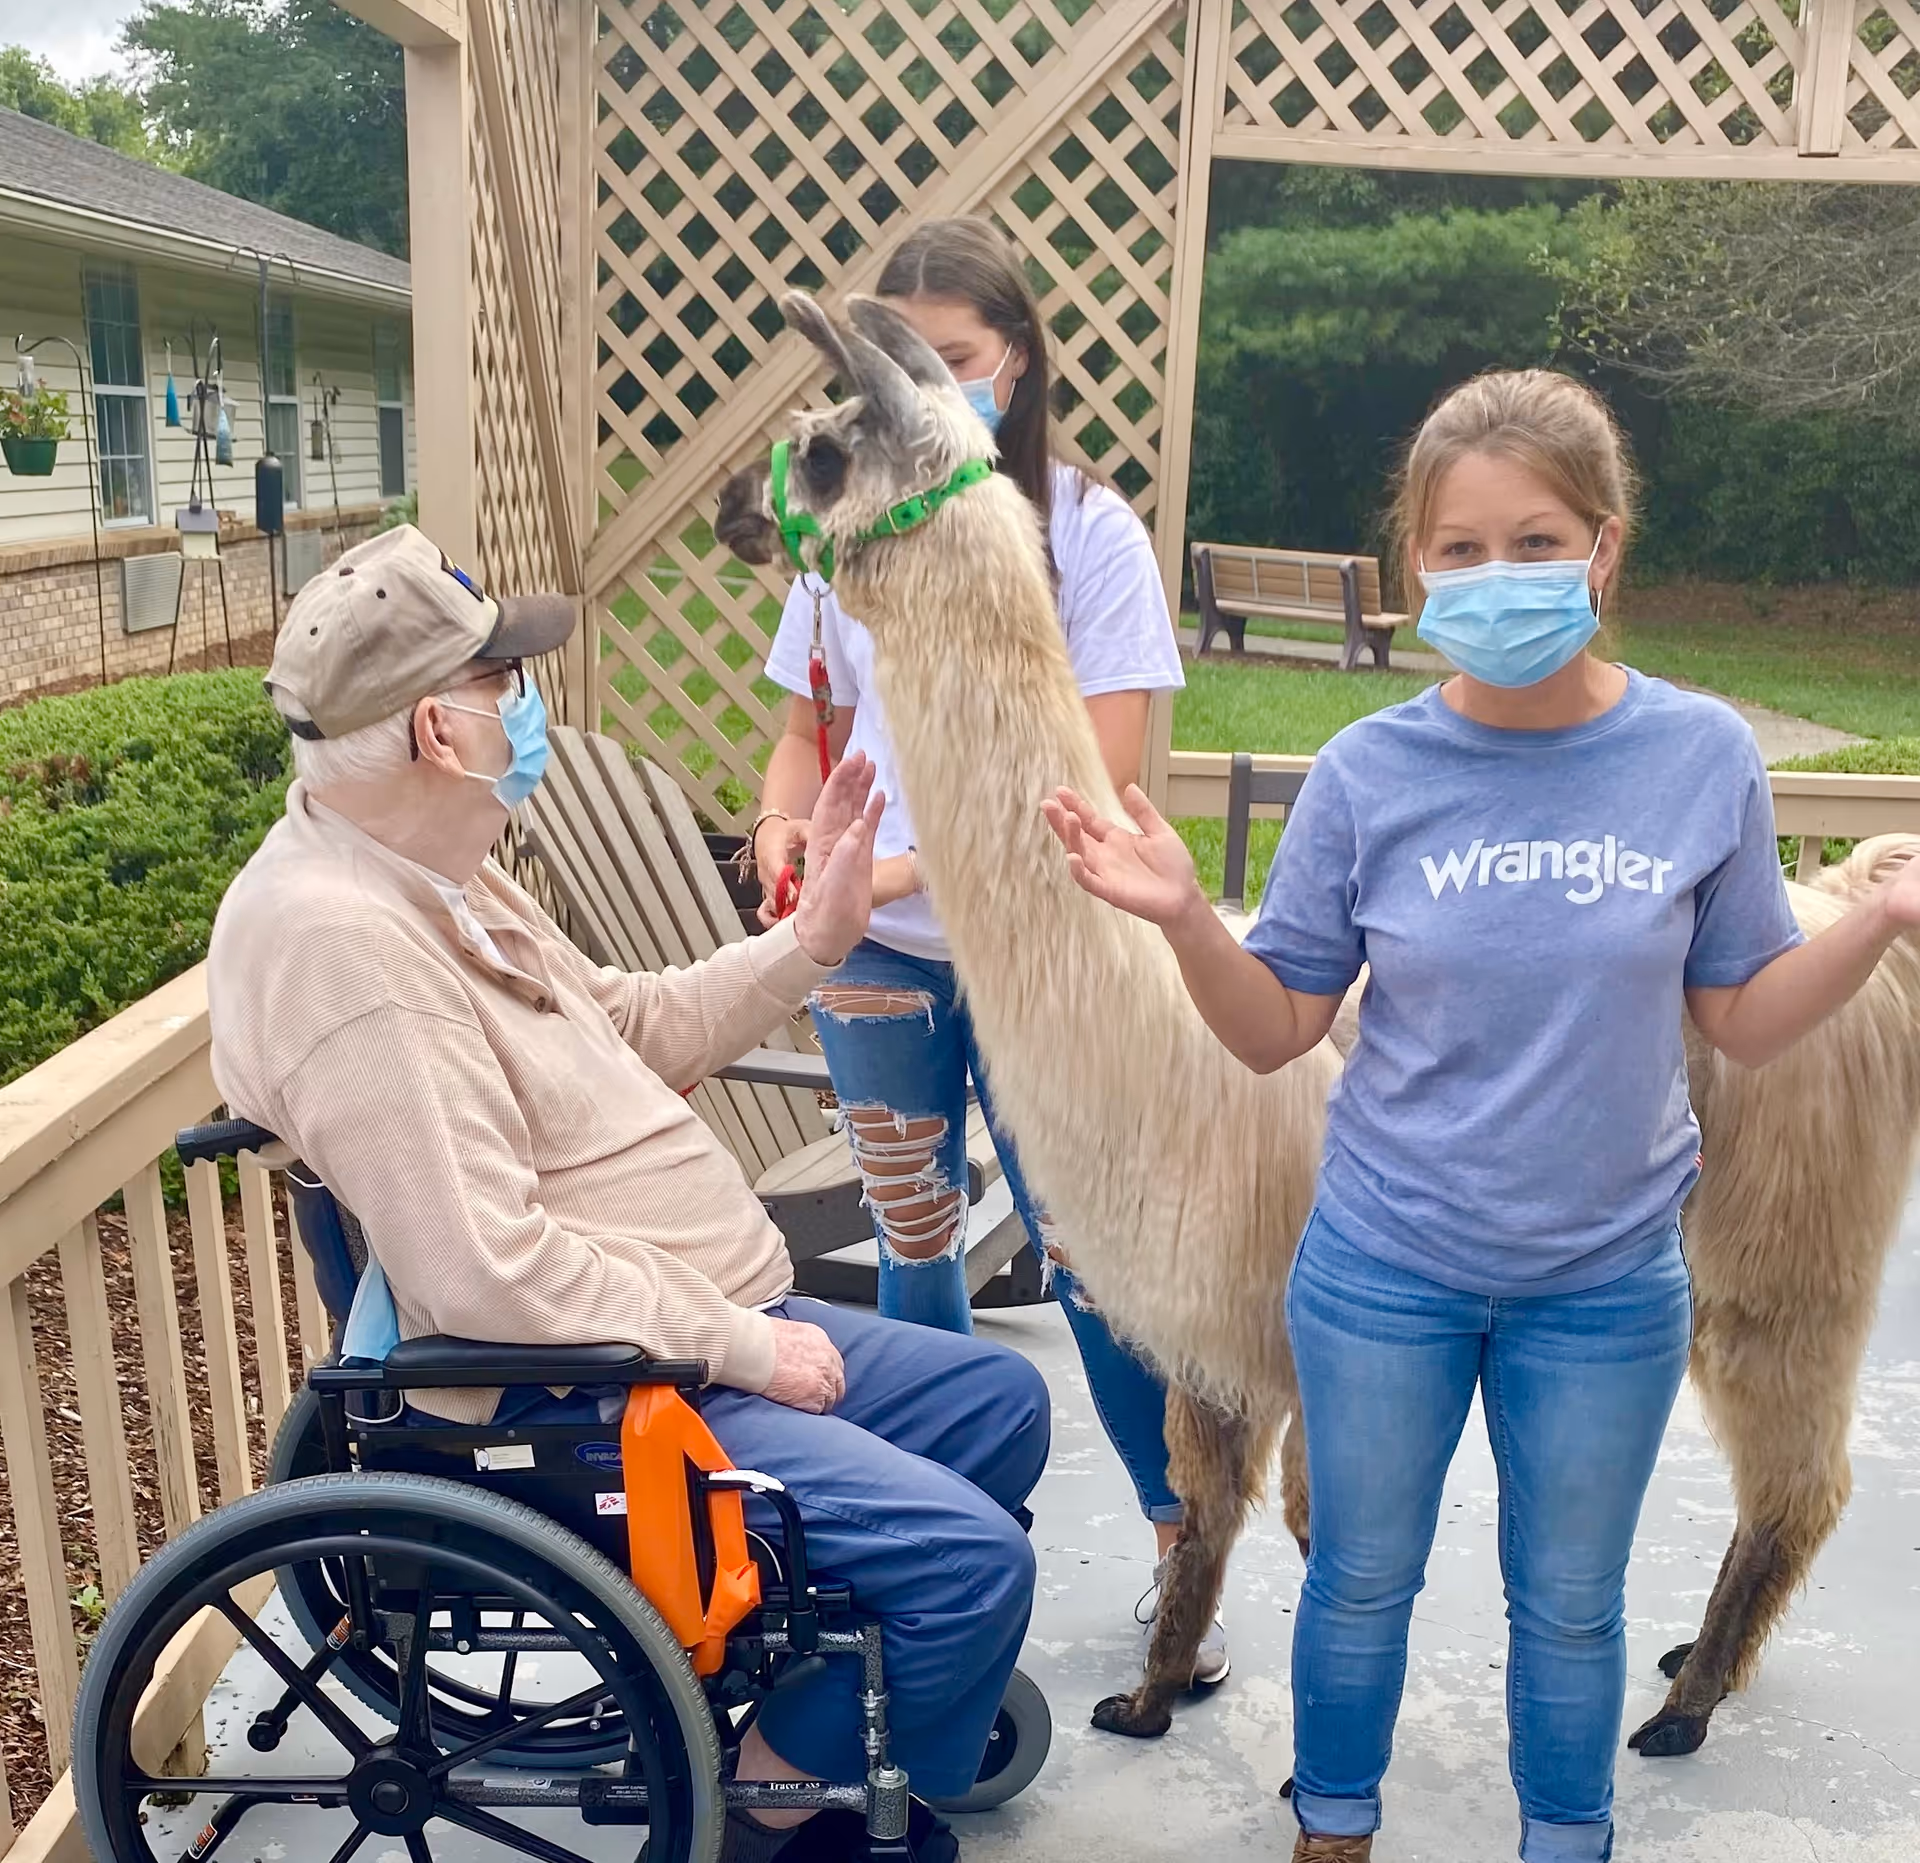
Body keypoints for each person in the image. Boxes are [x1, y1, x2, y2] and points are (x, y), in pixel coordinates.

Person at [1044, 370, 1920, 1863]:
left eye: (1534, 540)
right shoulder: (1371, 774)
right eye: (1458, 547)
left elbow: (1741, 1014)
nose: (1494, 574)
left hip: (1605, 1280)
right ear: (1413, 568)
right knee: (1361, 1581)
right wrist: (1190, 919)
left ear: (1605, 546)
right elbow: (1276, 1031)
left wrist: (1880, 920)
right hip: (1387, 1263)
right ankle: (1336, 1833)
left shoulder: (1700, 760)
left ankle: (1561, 1840)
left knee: (1571, 1603)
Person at [206, 524, 1051, 1863]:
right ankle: (778, 1794)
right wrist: (744, 1345)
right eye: (502, 688)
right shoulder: (342, 948)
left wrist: (810, 939)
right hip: (590, 1384)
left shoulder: (440, 873)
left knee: (999, 1406)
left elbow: (630, 1026)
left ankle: (813, 1696)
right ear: (438, 726)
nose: (522, 709)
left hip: (674, 1324)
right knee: (969, 1570)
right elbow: (484, 1276)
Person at [750, 215, 1217, 1678]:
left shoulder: (1087, 534)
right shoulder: (850, 533)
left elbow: (1105, 777)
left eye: (955, 358)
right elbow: (804, 725)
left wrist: (877, 862)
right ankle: (937, 1554)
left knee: (1093, 1260)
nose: (937, 385)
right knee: (914, 1243)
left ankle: (1176, 1551)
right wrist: (784, 825)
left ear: (1012, 359)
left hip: (1046, 961)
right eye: (917, 359)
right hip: (879, 952)